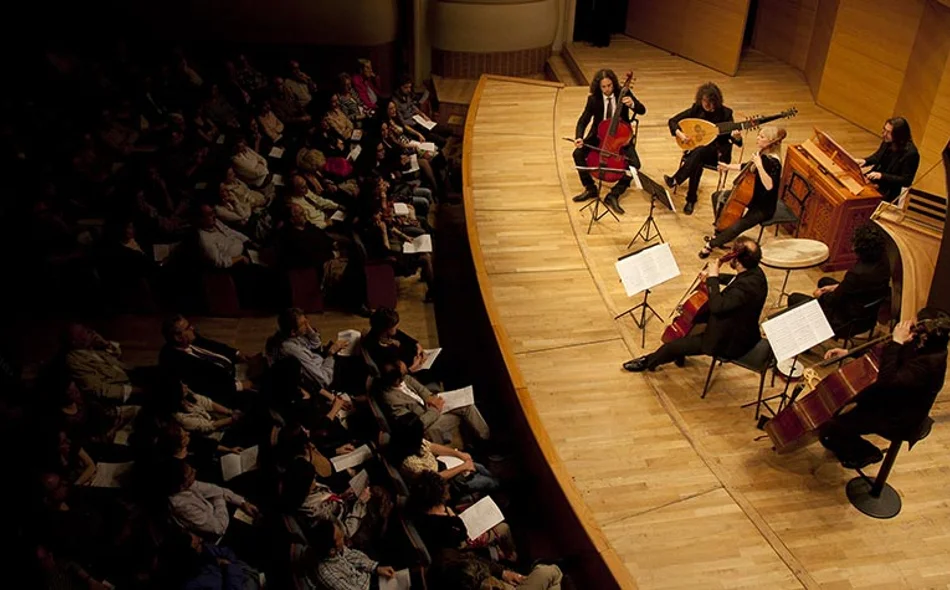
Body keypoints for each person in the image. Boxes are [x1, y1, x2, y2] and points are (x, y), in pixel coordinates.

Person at [820, 308, 949, 468]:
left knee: (830, 428)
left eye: (913, 323)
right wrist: (849, 353)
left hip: (898, 416)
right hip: (890, 397)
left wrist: (897, 342)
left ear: (923, 334)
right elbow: (883, 351)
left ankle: (867, 453)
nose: (909, 324)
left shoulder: (929, 364)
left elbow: (887, 381)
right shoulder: (924, 343)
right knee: (839, 403)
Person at [623, 236, 767, 372]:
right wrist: (716, 277)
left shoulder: (744, 289)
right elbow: (736, 280)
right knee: (691, 318)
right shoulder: (756, 273)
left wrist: (713, 278)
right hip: (740, 324)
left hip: (729, 340)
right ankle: (681, 352)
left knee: (671, 347)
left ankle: (648, 362)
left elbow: (717, 307)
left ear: (737, 259)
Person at [787, 223, 891, 336]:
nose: (852, 247)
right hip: (868, 314)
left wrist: (821, 295)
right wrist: (835, 287)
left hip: (847, 321)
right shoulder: (883, 261)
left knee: (794, 298)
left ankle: (807, 338)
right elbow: (858, 288)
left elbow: (833, 300)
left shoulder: (857, 274)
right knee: (824, 281)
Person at [699, 126, 785, 258]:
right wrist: (727, 166)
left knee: (737, 227)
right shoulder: (761, 154)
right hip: (750, 196)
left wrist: (760, 165)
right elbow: (745, 166)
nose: (757, 138)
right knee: (717, 196)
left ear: (771, 142)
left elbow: (769, 186)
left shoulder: (774, 162)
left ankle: (711, 244)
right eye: (759, 135)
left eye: (762, 137)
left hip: (762, 207)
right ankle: (721, 230)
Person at [571, 68, 646, 215]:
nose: (607, 89)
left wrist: (632, 105)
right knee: (577, 154)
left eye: (610, 86)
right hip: (599, 136)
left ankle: (614, 194)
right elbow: (583, 120)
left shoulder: (623, 93)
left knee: (635, 165)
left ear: (614, 83)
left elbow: (642, 110)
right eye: (604, 87)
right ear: (599, 87)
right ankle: (590, 188)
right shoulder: (594, 99)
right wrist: (579, 137)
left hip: (620, 138)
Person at [665, 82, 743, 215]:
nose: (707, 105)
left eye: (711, 102)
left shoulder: (726, 113)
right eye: (705, 102)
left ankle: (677, 179)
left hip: (718, 154)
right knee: (698, 158)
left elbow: (737, 142)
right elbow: (673, 121)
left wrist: (737, 137)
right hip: (698, 152)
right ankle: (690, 199)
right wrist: (681, 134)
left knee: (698, 153)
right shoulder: (697, 109)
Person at [379, 362, 491, 444]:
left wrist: (430, 398)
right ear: (396, 380)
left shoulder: (405, 378)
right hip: (427, 425)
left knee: (467, 406)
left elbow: (421, 390)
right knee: (463, 413)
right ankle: (486, 444)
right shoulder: (392, 401)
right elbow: (416, 425)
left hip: (432, 407)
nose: (407, 375)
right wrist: (434, 410)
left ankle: (486, 438)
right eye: (403, 375)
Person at [160, 314, 252, 403]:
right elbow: (205, 387)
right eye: (188, 328)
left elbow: (213, 345)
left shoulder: (190, 339)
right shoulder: (175, 361)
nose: (192, 328)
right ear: (178, 337)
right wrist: (239, 386)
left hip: (234, 371)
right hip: (226, 391)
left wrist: (236, 353)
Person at [166, 459, 259, 538]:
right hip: (218, 533)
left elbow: (214, 489)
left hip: (218, 511)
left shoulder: (186, 483)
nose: (195, 471)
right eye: (191, 473)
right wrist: (219, 499)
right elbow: (220, 528)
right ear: (182, 486)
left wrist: (242, 503)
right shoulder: (182, 506)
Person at [266, 307, 346, 390]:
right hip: (325, 374)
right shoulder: (292, 350)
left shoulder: (290, 335)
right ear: (293, 332)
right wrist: (331, 354)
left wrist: (308, 328)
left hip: (319, 361)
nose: (307, 325)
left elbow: (316, 345)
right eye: (304, 324)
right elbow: (323, 380)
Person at [308, 519, 397, 590]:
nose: (343, 537)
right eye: (340, 537)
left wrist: (376, 568)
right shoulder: (328, 574)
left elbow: (353, 556)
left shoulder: (335, 550)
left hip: (365, 576)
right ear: (332, 551)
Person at [63, 323, 139, 402]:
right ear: (74, 342)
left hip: (130, 375)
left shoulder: (94, 348)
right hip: (122, 391)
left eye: (85, 329)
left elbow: (118, 357)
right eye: (82, 333)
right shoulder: (75, 360)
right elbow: (97, 389)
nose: (90, 332)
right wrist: (133, 390)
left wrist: (105, 343)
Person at [857, 117, 920, 202]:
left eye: (889, 132)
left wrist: (882, 176)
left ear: (899, 135)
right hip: (875, 181)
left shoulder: (911, 154)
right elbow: (877, 157)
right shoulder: (888, 141)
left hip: (889, 191)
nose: (884, 134)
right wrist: (865, 161)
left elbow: (906, 180)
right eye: (884, 130)